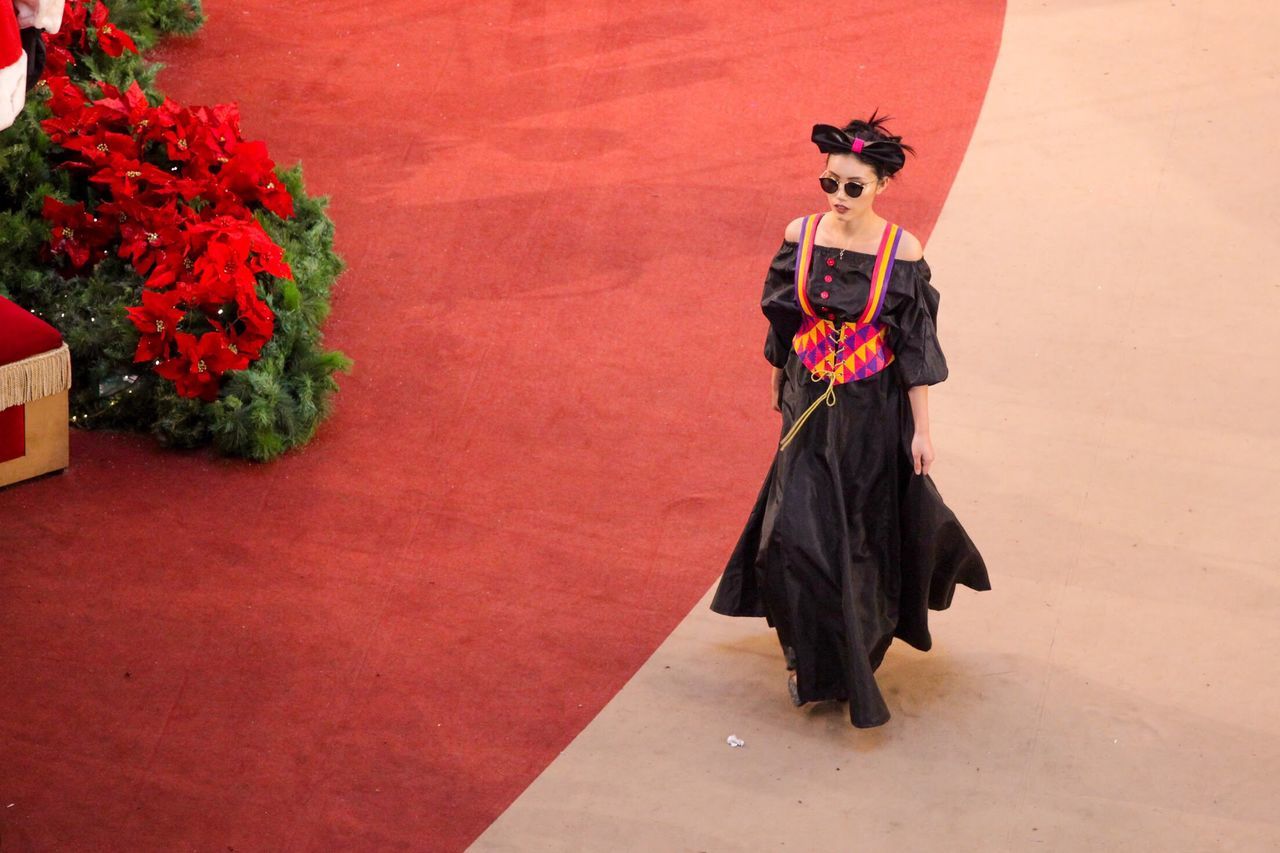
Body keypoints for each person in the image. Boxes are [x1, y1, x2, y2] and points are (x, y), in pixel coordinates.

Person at [710, 111, 992, 728]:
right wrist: (780, 387)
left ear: (882, 187)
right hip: (807, 406)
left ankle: (847, 659)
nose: (838, 197)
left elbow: (915, 345)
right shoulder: (801, 234)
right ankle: (808, 653)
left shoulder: (901, 252)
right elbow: (783, 319)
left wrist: (921, 430)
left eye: (853, 187)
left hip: (870, 414)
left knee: (858, 539)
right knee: (794, 535)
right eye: (829, 183)